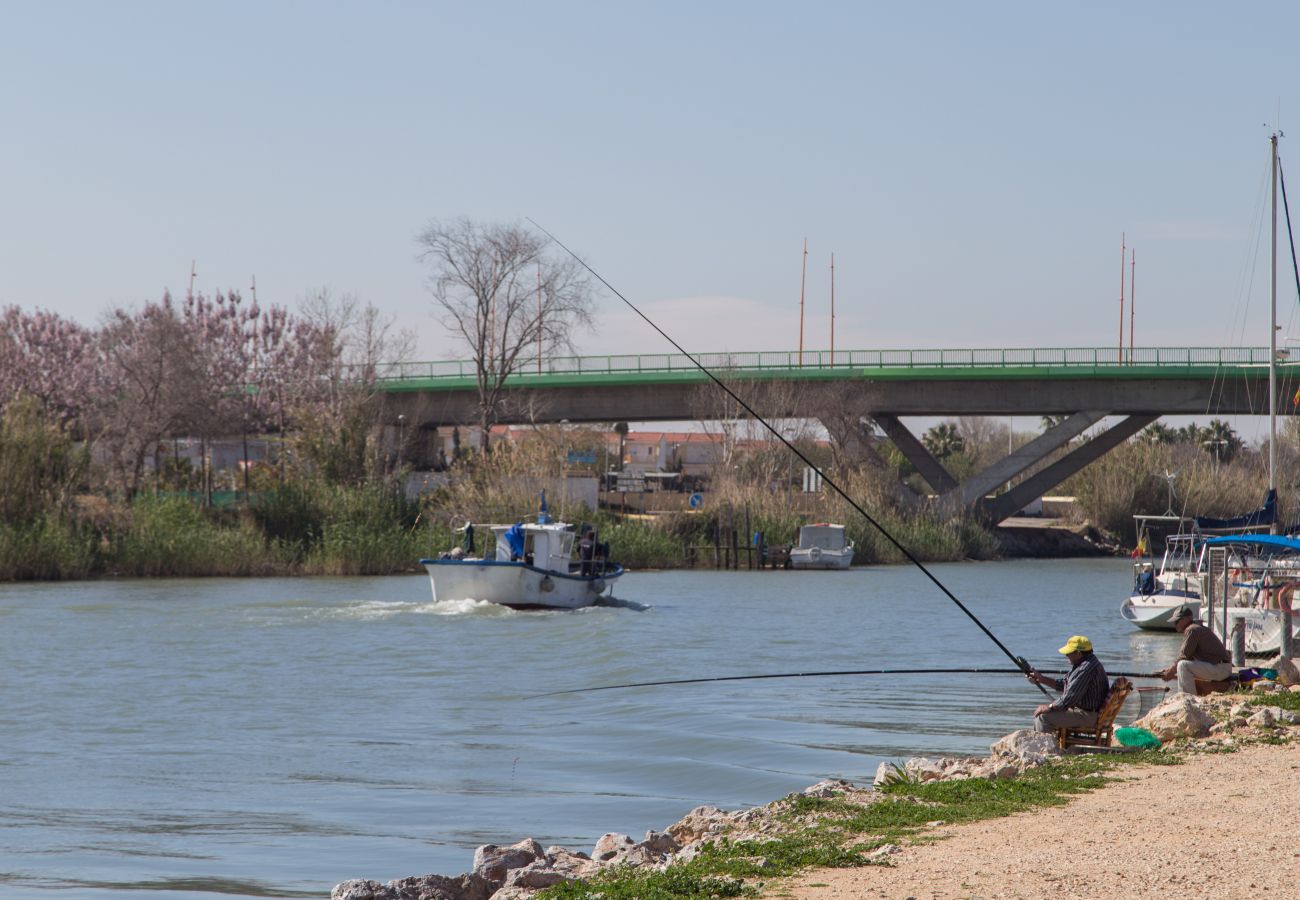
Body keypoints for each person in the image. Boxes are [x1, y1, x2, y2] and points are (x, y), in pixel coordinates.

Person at [1024, 635, 1110, 733]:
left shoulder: (1085, 669)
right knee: (1045, 714)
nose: (1066, 655)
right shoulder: (1087, 663)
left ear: (1078, 653)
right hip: (1088, 713)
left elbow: (1069, 698)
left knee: (1043, 718)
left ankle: (1045, 748)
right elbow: (1064, 684)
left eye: (1069, 652)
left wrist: (1049, 707)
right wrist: (1041, 679)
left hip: (1088, 716)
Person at [1161, 605, 1232, 694]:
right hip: (1221, 667)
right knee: (1182, 666)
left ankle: (1187, 698)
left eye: (1176, 621)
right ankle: (1188, 696)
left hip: (1221, 668)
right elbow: (1190, 658)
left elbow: (1184, 657)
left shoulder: (1192, 630)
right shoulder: (1196, 628)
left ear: (1185, 620)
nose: (1174, 625)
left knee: (1183, 665)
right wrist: (1169, 670)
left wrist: (1170, 672)